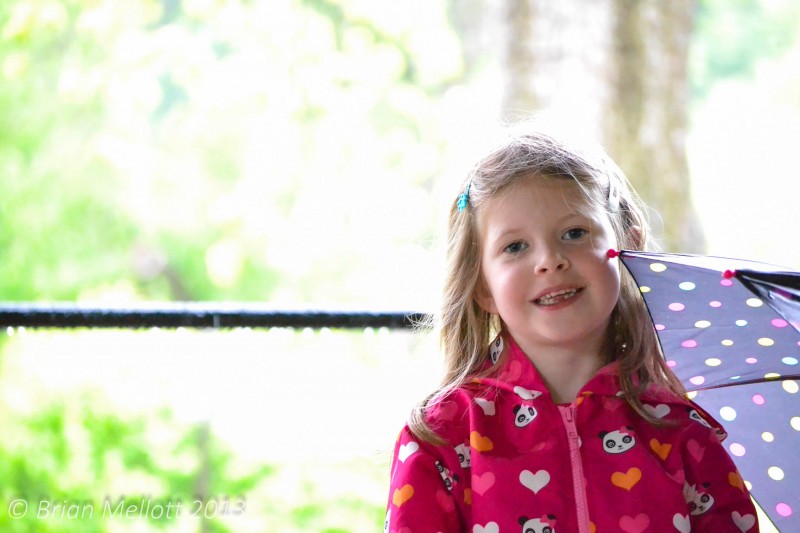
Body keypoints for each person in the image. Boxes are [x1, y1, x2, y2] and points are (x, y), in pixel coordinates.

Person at [384, 126, 759, 532]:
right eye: (515, 246)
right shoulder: (441, 439)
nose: (550, 260)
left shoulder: (682, 431)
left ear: (626, 249)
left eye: (575, 233)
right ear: (482, 287)